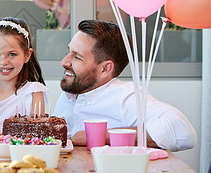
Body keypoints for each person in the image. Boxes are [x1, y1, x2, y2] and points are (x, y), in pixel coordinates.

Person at [53, 19, 197, 152]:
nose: (64, 61)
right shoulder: (71, 92)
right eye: (69, 51)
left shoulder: (125, 96)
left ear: (105, 69)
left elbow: (183, 131)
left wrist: (101, 136)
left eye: (77, 57)